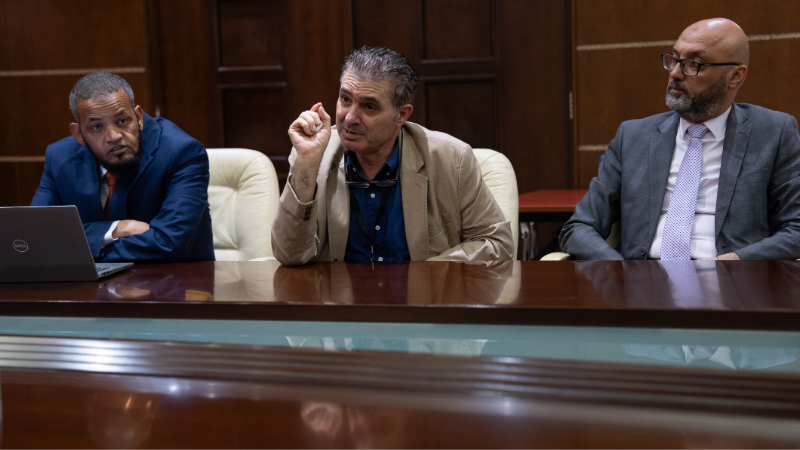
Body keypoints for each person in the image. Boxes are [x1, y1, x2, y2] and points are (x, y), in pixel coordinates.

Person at [560, 18, 800, 260]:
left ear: (735, 76)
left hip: (730, 277)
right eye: (674, 59)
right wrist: (620, 271)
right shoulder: (633, 136)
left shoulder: (774, 133)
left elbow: (796, 228)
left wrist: (735, 262)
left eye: (694, 64)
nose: (674, 73)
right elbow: (579, 227)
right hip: (642, 277)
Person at [271, 46, 513, 265]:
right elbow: (289, 255)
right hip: (340, 299)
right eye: (345, 99)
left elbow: (497, 244)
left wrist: (426, 276)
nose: (350, 117)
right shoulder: (314, 155)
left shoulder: (452, 159)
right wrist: (305, 165)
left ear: (402, 115)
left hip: (422, 299)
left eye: (369, 106)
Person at [31, 72, 214, 262]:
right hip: (91, 281)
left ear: (139, 117)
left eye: (122, 121)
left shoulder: (181, 152)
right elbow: (35, 236)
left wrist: (81, 250)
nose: (113, 136)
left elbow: (169, 242)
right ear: (78, 134)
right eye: (96, 127)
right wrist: (116, 229)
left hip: (174, 277)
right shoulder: (59, 157)